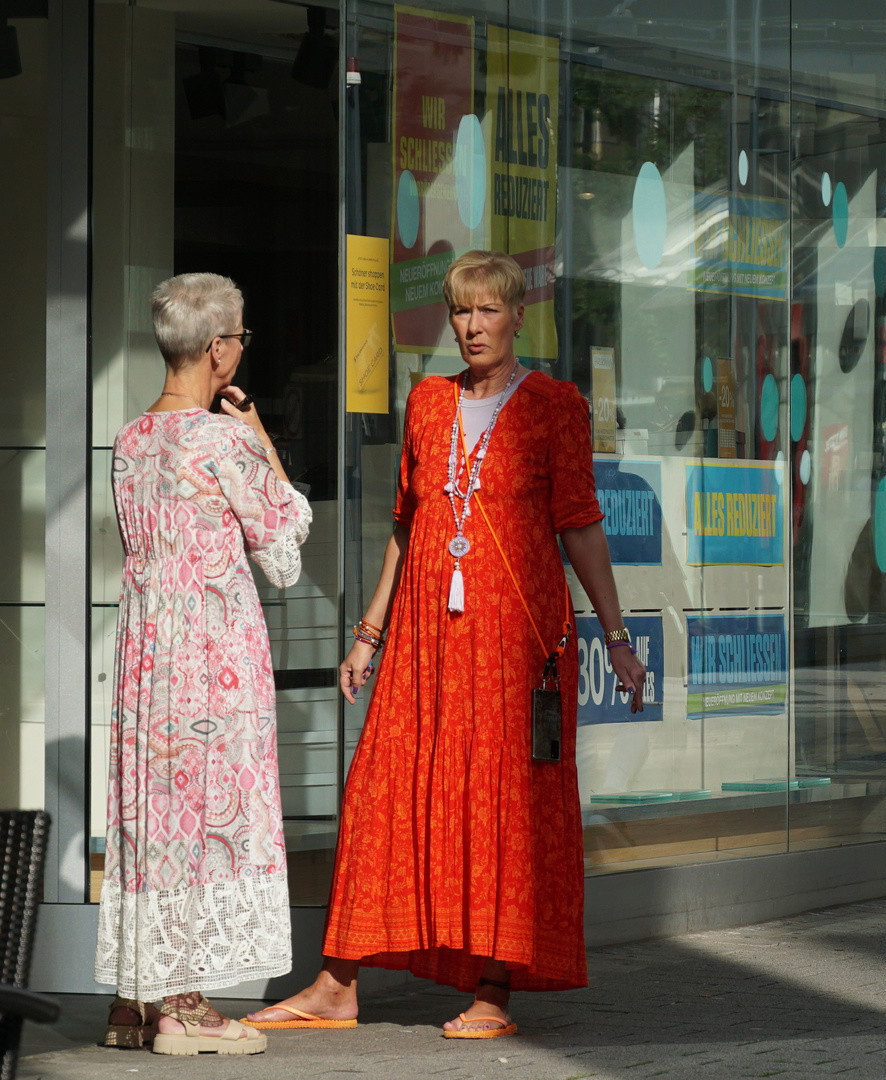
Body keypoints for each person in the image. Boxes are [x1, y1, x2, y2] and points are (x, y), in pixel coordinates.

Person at [247, 250, 646, 1038]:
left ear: (516, 316)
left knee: (503, 806)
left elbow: (581, 525)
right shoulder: (426, 403)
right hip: (427, 639)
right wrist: (369, 632)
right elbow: (408, 523)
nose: (471, 326)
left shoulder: (553, 405)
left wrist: (618, 635)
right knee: (381, 792)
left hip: (514, 640)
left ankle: (493, 991)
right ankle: (336, 982)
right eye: (460, 312)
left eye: (487, 310)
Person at [95, 272, 312, 1056]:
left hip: (147, 646)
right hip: (212, 651)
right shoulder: (220, 440)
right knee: (204, 808)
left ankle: (133, 1001)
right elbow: (284, 547)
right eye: (241, 337)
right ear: (219, 349)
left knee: (150, 813)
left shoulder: (129, 439)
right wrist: (259, 439)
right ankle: (185, 1008)